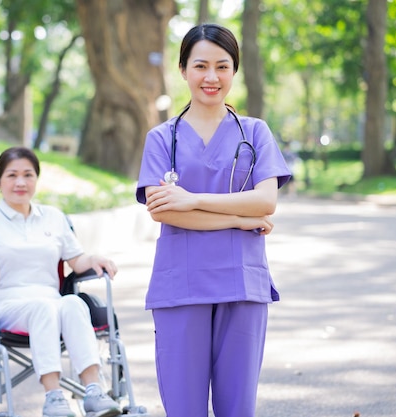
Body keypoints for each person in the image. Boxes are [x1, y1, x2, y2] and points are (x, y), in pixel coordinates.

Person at [135, 23, 292, 417]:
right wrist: (237, 219)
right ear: (184, 69)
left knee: (237, 408)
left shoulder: (255, 132)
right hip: (180, 286)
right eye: (201, 65)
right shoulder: (161, 138)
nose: (211, 77)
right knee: (184, 408)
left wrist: (193, 199)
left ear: (234, 71)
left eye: (222, 67)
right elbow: (163, 211)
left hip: (242, 285)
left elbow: (266, 201)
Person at [0, 146, 122, 417]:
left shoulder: (54, 217)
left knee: (72, 303)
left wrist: (94, 259)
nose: (20, 182)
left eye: (28, 175)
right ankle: (53, 396)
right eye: (11, 175)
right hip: (7, 304)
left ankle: (93, 391)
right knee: (44, 309)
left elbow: (77, 260)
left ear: (36, 179)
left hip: (51, 300)